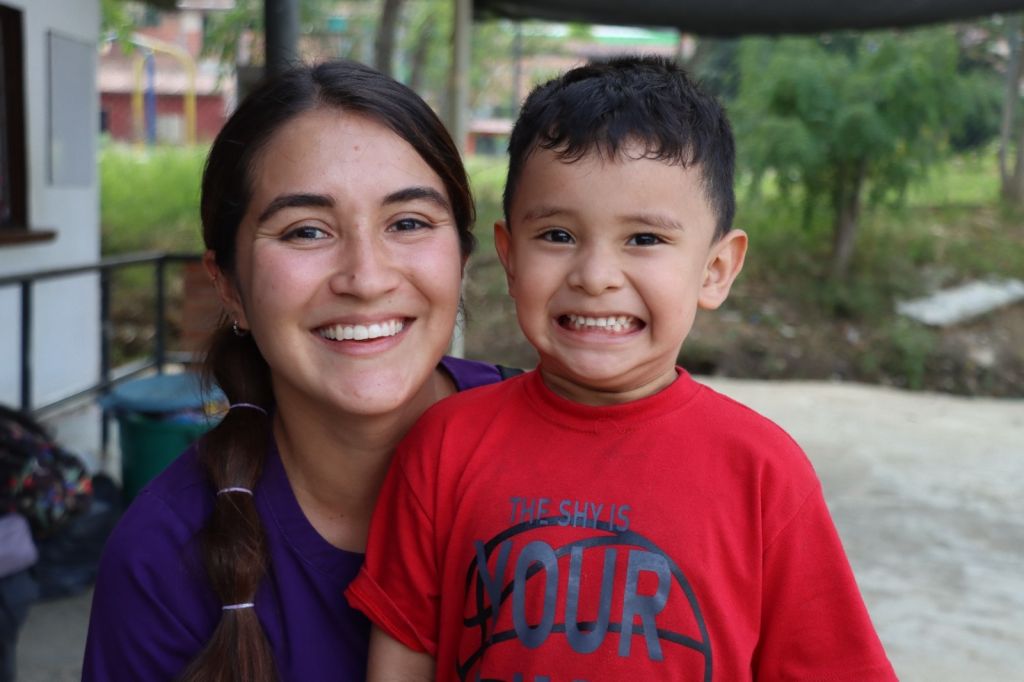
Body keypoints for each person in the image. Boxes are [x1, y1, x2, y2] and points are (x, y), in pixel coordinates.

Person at [347, 56, 897, 681]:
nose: (595, 277)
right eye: (556, 236)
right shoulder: (444, 448)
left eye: (644, 240)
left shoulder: (763, 474)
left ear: (716, 270)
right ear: (509, 256)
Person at [82, 60, 506, 682]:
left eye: (409, 223)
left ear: (462, 257)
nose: (366, 278)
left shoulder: (585, 452)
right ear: (228, 286)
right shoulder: (161, 559)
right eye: (307, 230)